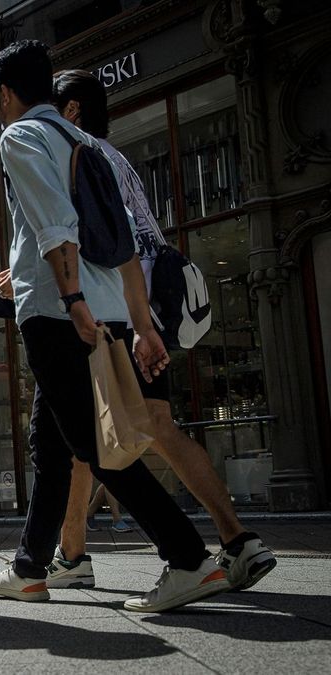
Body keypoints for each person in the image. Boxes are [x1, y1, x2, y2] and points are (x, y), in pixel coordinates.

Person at [0, 40, 229, 613]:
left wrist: (72, 301)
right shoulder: (86, 142)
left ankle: (189, 559)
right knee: (51, 444)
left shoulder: (20, 136)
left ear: (4, 94)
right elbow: (124, 243)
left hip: (58, 313)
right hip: (109, 309)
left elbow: (54, 225)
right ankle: (29, 568)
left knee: (95, 445)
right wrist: (141, 325)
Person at [42, 68, 276, 592]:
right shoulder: (116, 157)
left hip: (117, 314)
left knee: (92, 434)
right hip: (142, 312)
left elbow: (99, 242)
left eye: (48, 109)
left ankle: (200, 549)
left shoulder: (79, 156)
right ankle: (234, 539)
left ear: (71, 110)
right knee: (125, 431)